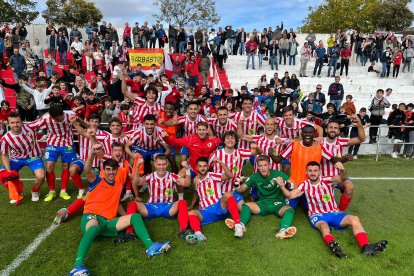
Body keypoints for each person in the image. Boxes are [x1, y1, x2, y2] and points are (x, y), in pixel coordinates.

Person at [69, 144, 170, 276]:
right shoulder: (97, 180)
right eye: (108, 169)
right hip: (92, 218)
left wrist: (127, 218)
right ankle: (77, 266)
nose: (111, 172)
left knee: (135, 217)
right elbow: (87, 170)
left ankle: (151, 247)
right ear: (103, 170)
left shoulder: (118, 185)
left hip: (108, 223)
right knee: (93, 228)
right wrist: (92, 154)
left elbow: (116, 204)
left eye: (113, 170)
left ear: (117, 170)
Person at [277, 161, 388, 258]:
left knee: (354, 219)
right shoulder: (304, 185)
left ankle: (365, 247)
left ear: (320, 172)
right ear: (306, 172)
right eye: (310, 171)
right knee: (324, 227)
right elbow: (290, 196)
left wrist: (342, 169)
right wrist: (282, 186)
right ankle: (334, 246)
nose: (313, 173)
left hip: (334, 213)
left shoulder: (327, 180)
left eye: (315, 170)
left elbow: (343, 178)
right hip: (317, 215)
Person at [117, 154, 192, 244]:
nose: (161, 167)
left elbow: (187, 184)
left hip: (168, 207)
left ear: (167, 164)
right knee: (132, 204)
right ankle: (130, 232)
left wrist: (187, 169)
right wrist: (136, 168)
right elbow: (136, 182)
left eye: (163, 164)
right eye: (159, 164)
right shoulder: (150, 176)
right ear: (155, 165)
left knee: (182, 202)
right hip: (151, 207)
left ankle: (183, 230)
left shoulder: (172, 176)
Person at [228, 155, 296, 239]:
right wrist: (237, 185)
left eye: (265, 165)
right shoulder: (255, 176)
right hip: (262, 204)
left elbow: (294, 185)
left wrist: (285, 183)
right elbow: (241, 189)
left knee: (289, 210)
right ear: (258, 167)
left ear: (269, 166)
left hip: (278, 204)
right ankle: (240, 225)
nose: (263, 168)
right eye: (260, 166)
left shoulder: (278, 174)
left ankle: (283, 230)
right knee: (246, 205)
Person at [184, 157, 244, 243]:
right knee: (190, 213)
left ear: (208, 167)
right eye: (200, 166)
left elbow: (230, 176)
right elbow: (197, 193)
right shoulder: (195, 180)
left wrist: (220, 162)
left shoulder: (213, 175)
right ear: (196, 168)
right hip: (206, 211)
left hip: (218, 206)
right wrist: (192, 205)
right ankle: (199, 235)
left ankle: (238, 225)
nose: (202, 168)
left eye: (204, 166)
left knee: (227, 194)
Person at [36, 105, 79, 201]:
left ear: (62, 114)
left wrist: (88, 126)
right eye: (53, 119)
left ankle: (63, 191)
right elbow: (35, 125)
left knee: (65, 166)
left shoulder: (70, 115)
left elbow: (79, 120)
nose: (55, 120)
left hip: (67, 144)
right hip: (52, 143)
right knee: (49, 167)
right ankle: (51, 191)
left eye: (57, 119)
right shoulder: (46, 118)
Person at [0, 112, 45, 203]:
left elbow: (43, 120)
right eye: (12, 123)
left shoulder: (30, 126)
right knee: (4, 174)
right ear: (8, 124)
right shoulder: (5, 138)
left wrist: (49, 112)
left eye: (17, 122)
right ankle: (16, 193)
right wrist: (9, 171)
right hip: (16, 159)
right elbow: (4, 155)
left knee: (41, 176)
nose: (15, 125)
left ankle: (35, 191)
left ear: (22, 122)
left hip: (33, 157)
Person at [322, 118, 365, 211]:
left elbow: (361, 138)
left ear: (338, 131)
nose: (333, 129)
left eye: (335, 128)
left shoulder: (340, 141)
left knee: (349, 187)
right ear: (326, 130)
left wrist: (359, 123)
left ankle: (340, 212)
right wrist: (343, 160)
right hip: (322, 177)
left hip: (338, 176)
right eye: (330, 127)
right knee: (325, 204)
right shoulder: (320, 141)